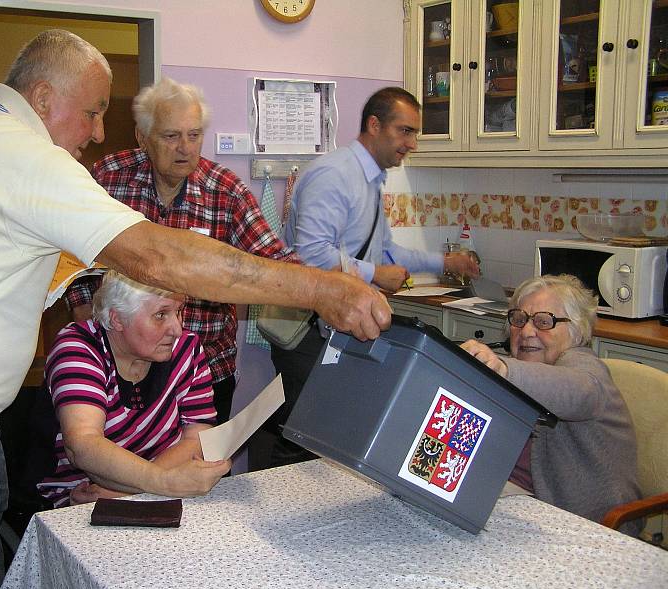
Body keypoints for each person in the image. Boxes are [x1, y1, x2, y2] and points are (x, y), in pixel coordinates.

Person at [0, 30, 390, 589]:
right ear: (42, 100)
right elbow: (161, 257)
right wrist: (324, 291)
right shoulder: (19, 155)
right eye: (92, 112)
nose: (96, 133)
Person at [257, 87, 479, 470]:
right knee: (302, 442)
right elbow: (311, 255)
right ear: (374, 125)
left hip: (335, 328)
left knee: (327, 439)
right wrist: (377, 274)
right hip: (307, 330)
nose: (412, 144)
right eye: (405, 131)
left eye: (415, 134)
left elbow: (385, 251)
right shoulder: (335, 175)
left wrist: (444, 261)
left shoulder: (370, 179)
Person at [65, 77, 299, 424]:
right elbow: (69, 255)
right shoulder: (107, 178)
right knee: (123, 467)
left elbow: (273, 260)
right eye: (171, 136)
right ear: (142, 138)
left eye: (194, 135)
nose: (186, 148)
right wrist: (85, 308)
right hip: (119, 365)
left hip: (203, 367)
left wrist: (321, 286)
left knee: (196, 466)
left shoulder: (226, 190)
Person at [460, 274, 641, 535]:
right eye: (519, 319)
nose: (526, 331)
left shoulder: (584, 368)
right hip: (517, 504)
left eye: (544, 322)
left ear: (576, 331)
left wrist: (503, 369)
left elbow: (578, 391)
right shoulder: (512, 366)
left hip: (586, 524)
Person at [37, 271, 225, 508]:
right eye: (161, 315)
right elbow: (83, 446)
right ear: (117, 319)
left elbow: (198, 435)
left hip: (147, 490)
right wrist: (160, 482)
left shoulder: (186, 348)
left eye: (178, 311)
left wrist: (135, 489)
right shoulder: (78, 347)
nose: (177, 329)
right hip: (80, 499)